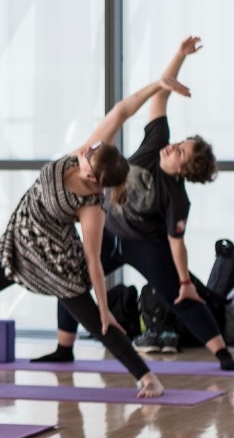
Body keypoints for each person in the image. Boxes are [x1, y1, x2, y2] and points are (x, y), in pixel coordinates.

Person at [0, 76, 195, 398]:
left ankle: (147, 377)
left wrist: (105, 308)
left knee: (100, 324)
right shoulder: (90, 151)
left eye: (91, 177)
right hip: (16, 246)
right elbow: (121, 111)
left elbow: (93, 261)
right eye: (87, 164)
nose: (84, 172)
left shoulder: (92, 206)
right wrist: (158, 84)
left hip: (57, 264)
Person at [30, 36, 233, 371]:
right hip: (107, 232)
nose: (174, 147)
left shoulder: (175, 197)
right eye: (179, 142)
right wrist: (179, 55)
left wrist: (184, 280)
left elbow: (175, 243)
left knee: (182, 297)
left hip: (143, 245)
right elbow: (162, 93)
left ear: (186, 168)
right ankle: (64, 348)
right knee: (69, 277)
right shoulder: (156, 142)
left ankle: (223, 355)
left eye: (180, 151)